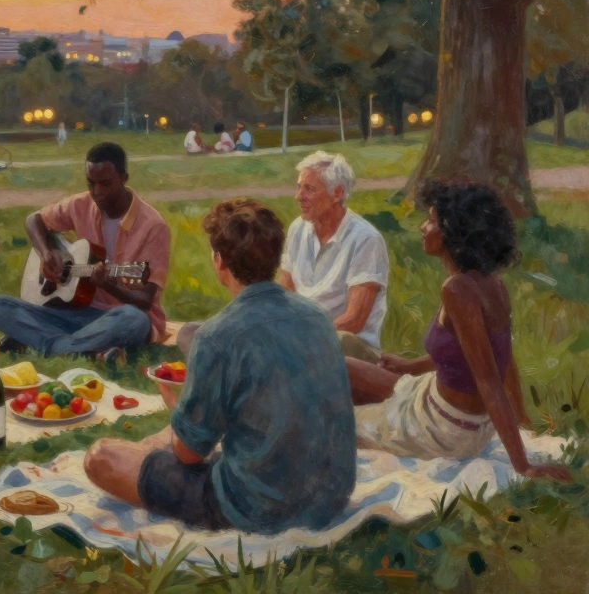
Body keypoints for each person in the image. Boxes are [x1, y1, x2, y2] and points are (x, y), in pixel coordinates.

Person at [83, 198, 356, 533]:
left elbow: (188, 456)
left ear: (219, 261)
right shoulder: (318, 318)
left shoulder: (216, 337)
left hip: (256, 509)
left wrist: (177, 406)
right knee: (164, 442)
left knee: (101, 456)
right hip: (330, 498)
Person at [346, 182, 572, 481]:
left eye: (432, 221)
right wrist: (409, 366)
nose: (423, 228)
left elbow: (490, 380)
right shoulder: (491, 284)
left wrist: (522, 465)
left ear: (454, 234)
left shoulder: (458, 290)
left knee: (338, 420)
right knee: (344, 367)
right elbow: (497, 359)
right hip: (440, 403)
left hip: (445, 427)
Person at [0, 143, 169, 358]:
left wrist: (109, 286)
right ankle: (82, 348)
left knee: (135, 320)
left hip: (117, 316)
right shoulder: (81, 204)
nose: (97, 192)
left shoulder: (153, 226)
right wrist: (46, 253)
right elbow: (34, 220)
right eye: (91, 184)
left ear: (124, 178)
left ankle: (48, 343)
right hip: (73, 311)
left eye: (106, 184)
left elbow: (145, 301)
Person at [279, 152, 388, 362]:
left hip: (350, 346)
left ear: (336, 193)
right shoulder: (297, 229)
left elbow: (354, 320)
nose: (298, 196)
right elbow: (284, 294)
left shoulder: (365, 239)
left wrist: (298, 337)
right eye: (299, 187)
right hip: (303, 339)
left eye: (309, 189)